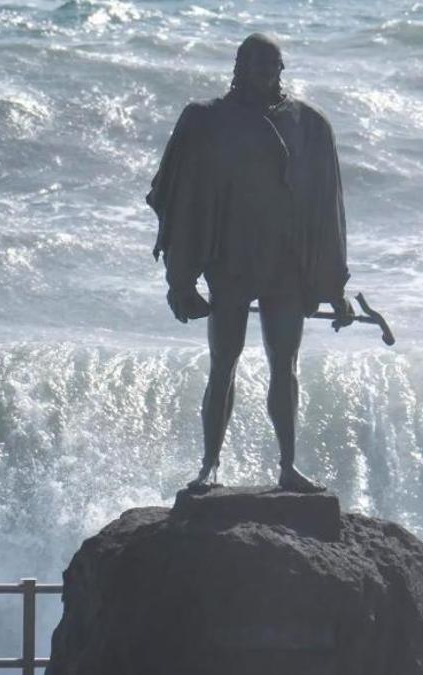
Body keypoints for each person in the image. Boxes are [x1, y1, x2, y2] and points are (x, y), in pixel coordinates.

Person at [147, 33, 355, 493]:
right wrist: (181, 280)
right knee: (224, 361)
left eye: (272, 66)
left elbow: (328, 212)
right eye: (255, 65)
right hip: (231, 265)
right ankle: (210, 465)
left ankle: (287, 466)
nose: (264, 74)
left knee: (286, 364)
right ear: (237, 67)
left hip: (286, 268)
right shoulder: (208, 120)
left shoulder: (309, 124)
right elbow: (180, 199)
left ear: (282, 69)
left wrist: (332, 286)